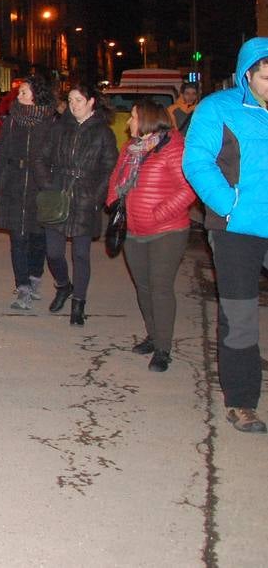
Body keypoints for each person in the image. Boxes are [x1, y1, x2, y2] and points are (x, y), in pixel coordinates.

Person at [183, 38, 268, 433]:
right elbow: (196, 162)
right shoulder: (219, 108)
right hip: (238, 229)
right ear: (247, 73)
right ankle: (241, 400)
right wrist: (228, 205)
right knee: (241, 316)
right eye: (266, 76)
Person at [106, 99, 195, 372]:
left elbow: (189, 188)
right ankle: (153, 335)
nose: (129, 123)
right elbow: (116, 179)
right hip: (133, 229)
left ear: (146, 120)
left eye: (133, 117)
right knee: (143, 287)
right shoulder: (130, 148)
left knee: (160, 288)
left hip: (166, 231)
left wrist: (159, 213)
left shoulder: (173, 147)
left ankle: (163, 349)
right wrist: (113, 202)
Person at [32, 80, 118, 327]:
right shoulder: (60, 128)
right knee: (53, 252)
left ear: (91, 102)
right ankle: (63, 285)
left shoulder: (103, 132)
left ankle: (78, 303)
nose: (73, 105)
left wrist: (96, 196)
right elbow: (40, 158)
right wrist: (48, 184)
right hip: (58, 193)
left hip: (85, 195)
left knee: (81, 254)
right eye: (70, 101)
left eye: (78, 100)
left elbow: (109, 168)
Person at [0, 75, 56, 310]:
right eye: (20, 92)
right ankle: (22, 286)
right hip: (14, 182)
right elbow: (0, 154)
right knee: (18, 237)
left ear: (37, 95)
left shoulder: (51, 123)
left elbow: (57, 158)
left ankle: (35, 276)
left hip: (40, 185)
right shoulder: (12, 121)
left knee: (38, 237)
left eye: (25, 91)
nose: (20, 95)